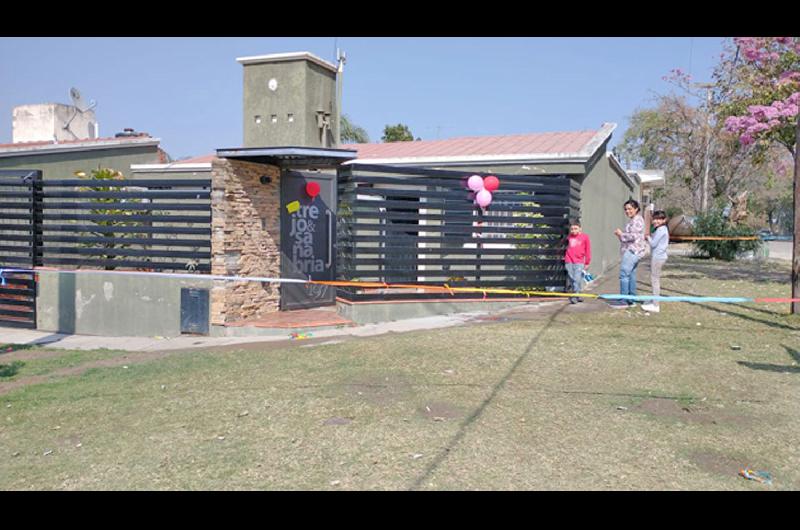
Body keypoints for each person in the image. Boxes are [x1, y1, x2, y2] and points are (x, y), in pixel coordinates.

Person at [612, 199, 647, 308]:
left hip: (633, 250)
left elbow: (633, 236)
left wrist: (620, 234)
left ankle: (624, 300)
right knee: (631, 274)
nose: (627, 211)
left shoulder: (637, 220)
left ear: (636, 209)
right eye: (626, 209)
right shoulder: (634, 220)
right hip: (634, 250)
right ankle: (631, 298)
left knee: (624, 275)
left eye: (630, 209)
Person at [641, 210, 669, 313]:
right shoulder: (662, 229)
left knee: (655, 280)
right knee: (655, 279)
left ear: (664, 220)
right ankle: (654, 299)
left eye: (659, 219)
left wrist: (647, 236)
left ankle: (655, 305)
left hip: (658, 258)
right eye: (655, 219)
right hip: (659, 256)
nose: (656, 221)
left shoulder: (661, 230)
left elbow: (653, 244)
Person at [564, 219, 591, 304]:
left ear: (580, 229)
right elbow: (564, 246)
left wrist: (587, 262)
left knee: (577, 279)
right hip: (569, 261)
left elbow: (588, 250)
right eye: (572, 229)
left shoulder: (585, 237)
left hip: (579, 262)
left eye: (575, 228)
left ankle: (575, 296)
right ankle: (578, 294)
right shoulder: (569, 237)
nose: (573, 231)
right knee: (572, 279)